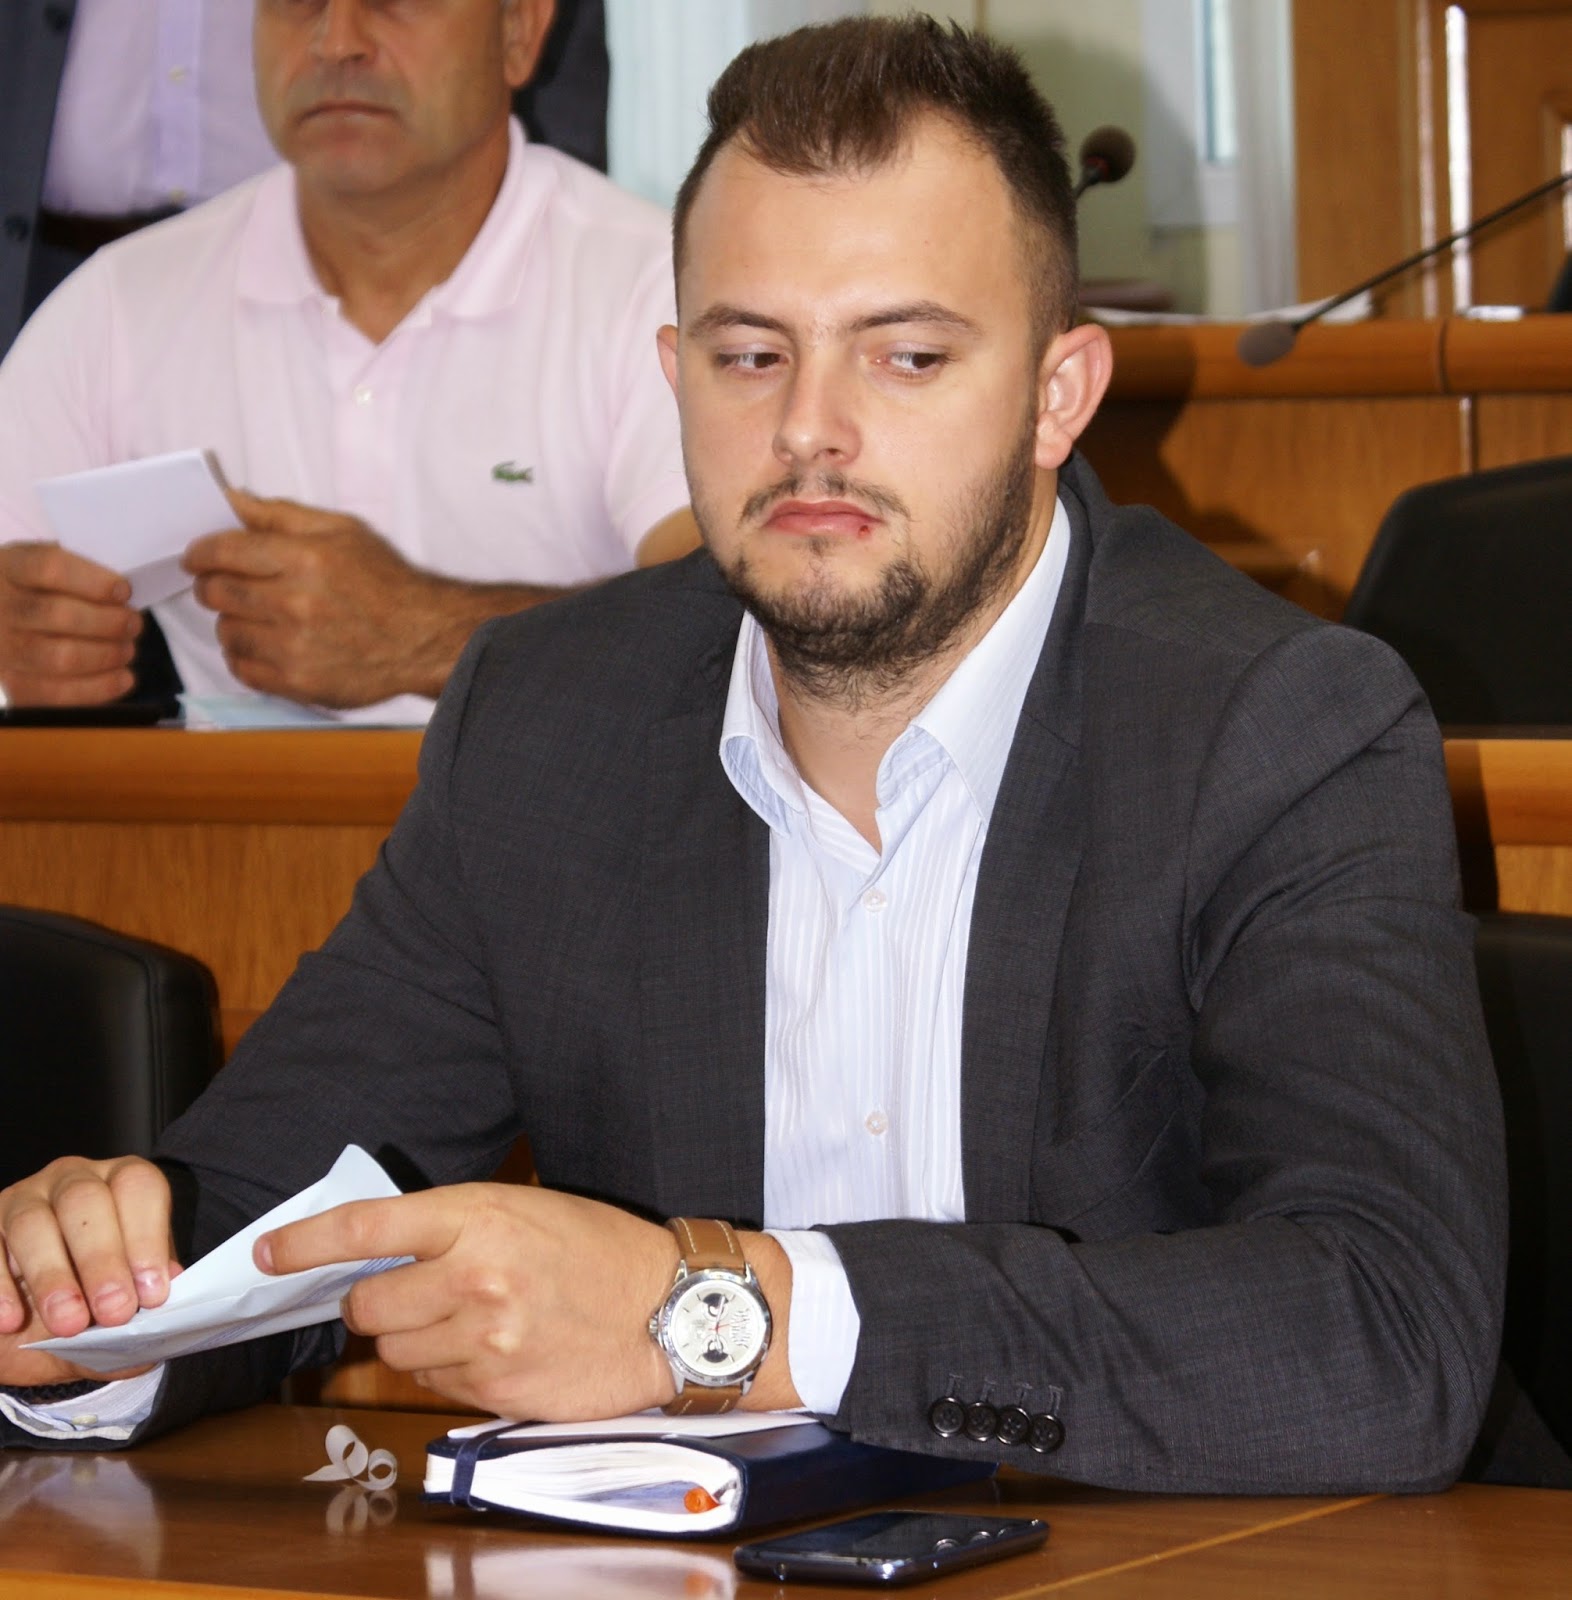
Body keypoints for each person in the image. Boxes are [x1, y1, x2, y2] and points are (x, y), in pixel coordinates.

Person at [0, 16, 1508, 1493]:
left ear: (1059, 395)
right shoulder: (549, 721)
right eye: (748, 353)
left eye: (906, 355)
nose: (809, 432)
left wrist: (716, 1316)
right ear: (673, 371)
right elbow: (265, 1216)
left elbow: (1385, 1333)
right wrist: (84, 1311)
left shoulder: (1279, 727)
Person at [0, 0, 692, 722]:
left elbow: (734, 629)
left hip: (565, 800)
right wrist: (18, 648)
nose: (336, 42)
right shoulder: (124, 302)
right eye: (298, 2)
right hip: (234, 801)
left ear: (518, 29)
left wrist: (424, 632)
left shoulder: (660, 289)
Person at [0, 0, 610, 356]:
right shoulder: (95, 313)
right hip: (44, 264)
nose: (337, 41)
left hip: (374, 266)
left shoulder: (623, 297)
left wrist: (535, 252)